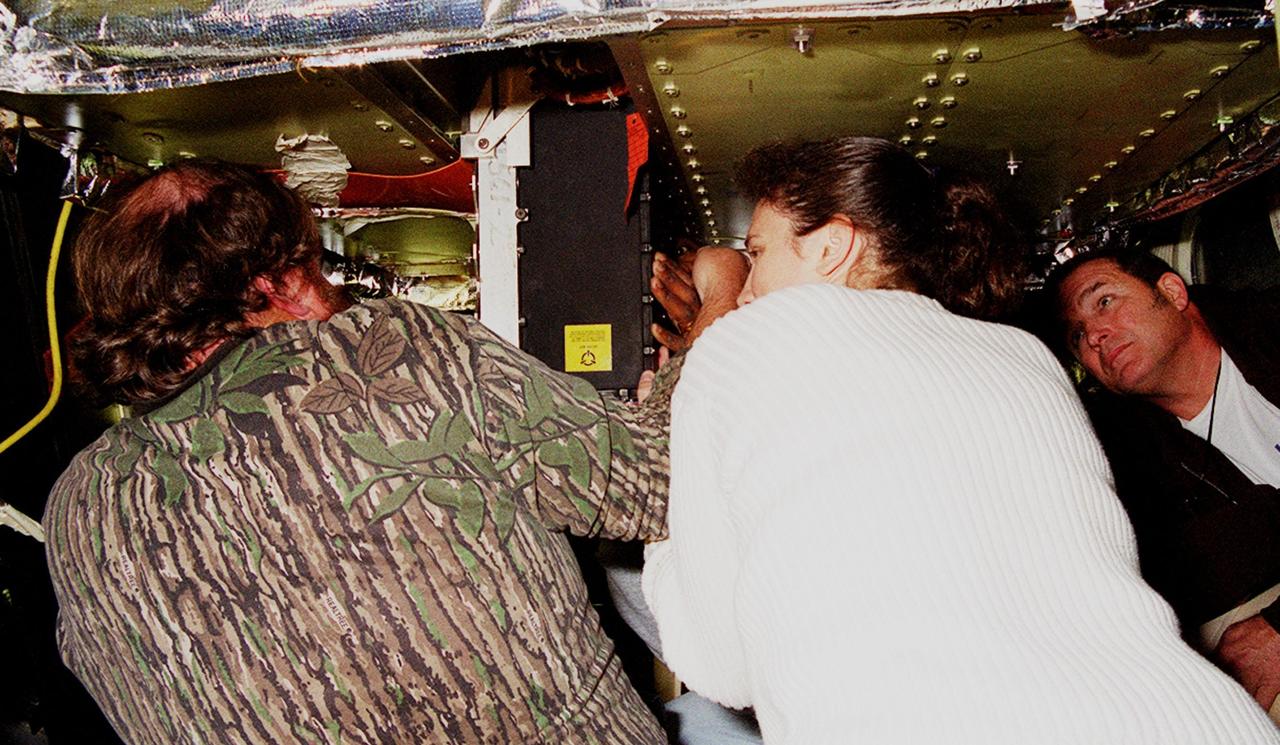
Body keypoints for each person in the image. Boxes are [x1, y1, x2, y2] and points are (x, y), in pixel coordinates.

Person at [42, 158, 741, 745]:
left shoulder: (76, 511)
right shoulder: (388, 351)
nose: (336, 297)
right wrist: (721, 300)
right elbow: (662, 479)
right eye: (317, 270)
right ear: (279, 285)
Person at [640, 136, 1280, 744]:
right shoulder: (1025, 355)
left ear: (832, 246)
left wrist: (665, 492)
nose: (751, 286)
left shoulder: (742, 342)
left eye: (756, 255)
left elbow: (719, 665)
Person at [1048, 248, 1280, 718]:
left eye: (1105, 302)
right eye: (1077, 337)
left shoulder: (1269, 332)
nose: (1093, 334)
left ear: (1172, 292)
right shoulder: (1128, 455)